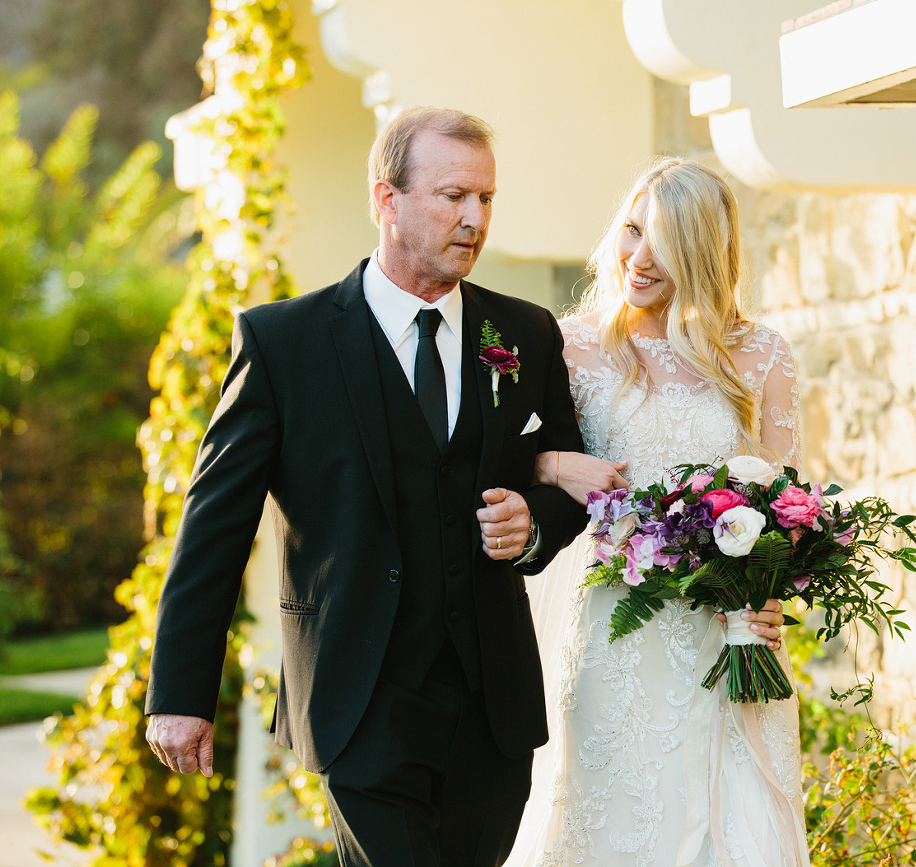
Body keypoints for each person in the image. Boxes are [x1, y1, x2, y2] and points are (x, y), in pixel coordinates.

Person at [143, 107, 591, 866]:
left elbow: (567, 466)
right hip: (359, 695)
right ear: (386, 201)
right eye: (452, 196)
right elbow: (216, 522)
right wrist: (181, 692)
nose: (474, 218)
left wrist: (536, 522)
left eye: (486, 198)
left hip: (492, 703)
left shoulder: (523, 334)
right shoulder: (283, 342)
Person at [506, 158, 810, 867]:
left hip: (729, 635)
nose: (636, 258)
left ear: (703, 250)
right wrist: (551, 465)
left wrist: (770, 592)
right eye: (631, 230)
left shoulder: (761, 355)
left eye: (663, 241)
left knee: (738, 824)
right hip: (615, 627)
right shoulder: (574, 345)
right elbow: (492, 460)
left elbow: (788, 505)